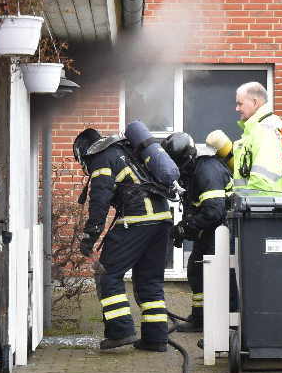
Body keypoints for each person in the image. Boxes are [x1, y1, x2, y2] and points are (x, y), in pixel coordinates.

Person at [73, 127, 173, 352]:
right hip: (162, 217)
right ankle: (155, 339)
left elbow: (100, 198)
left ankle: (121, 332)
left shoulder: (100, 157)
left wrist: (91, 235)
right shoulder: (124, 150)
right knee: (150, 281)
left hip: (138, 218)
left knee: (107, 275)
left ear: (83, 152)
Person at [161, 132, 234, 333]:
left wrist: (184, 228)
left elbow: (213, 211)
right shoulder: (194, 169)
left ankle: (226, 322)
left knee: (219, 277)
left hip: (221, 234)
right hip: (209, 233)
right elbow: (197, 207)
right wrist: (185, 231)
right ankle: (201, 319)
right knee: (197, 271)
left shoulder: (206, 170)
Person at [233, 82, 282, 195]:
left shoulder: (265, 129)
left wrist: (245, 203)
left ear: (255, 103)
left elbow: (262, 181)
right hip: (277, 203)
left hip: (269, 205)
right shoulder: (265, 126)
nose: (237, 109)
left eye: (240, 104)